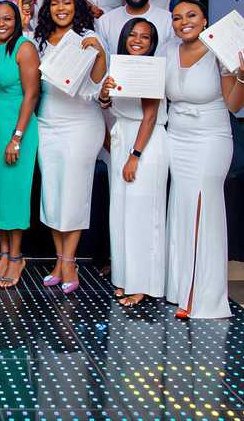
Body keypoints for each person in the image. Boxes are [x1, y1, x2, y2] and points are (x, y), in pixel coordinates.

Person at [165, 0, 244, 320]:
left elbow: (234, 104)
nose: (183, 21)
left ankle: (204, 296)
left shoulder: (221, 52)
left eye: (191, 15)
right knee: (182, 207)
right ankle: (179, 287)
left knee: (204, 207)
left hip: (210, 139)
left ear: (205, 21)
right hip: (176, 137)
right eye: (177, 17)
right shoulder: (166, 51)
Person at [32, 0, 108, 295]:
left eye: (67, 2)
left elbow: (96, 85)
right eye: (54, 3)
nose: (60, 8)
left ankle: (69, 262)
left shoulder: (89, 37)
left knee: (74, 195)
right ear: (47, 9)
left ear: (77, 7)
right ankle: (60, 260)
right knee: (52, 195)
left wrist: (99, 53)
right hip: (47, 124)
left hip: (81, 124)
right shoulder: (39, 40)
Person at [100, 18, 168, 307]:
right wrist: (104, 94)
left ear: (152, 44)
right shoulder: (119, 67)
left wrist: (135, 156)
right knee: (122, 212)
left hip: (145, 142)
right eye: (133, 35)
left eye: (146, 37)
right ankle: (126, 278)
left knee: (143, 214)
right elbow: (109, 105)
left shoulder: (151, 70)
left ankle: (144, 284)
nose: (138, 40)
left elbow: (150, 116)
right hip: (122, 136)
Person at [0, 0, 41, 288]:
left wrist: (16, 138)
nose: (1, 24)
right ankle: (3, 254)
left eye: (7, 19)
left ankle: (17, 258)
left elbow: (31, 95)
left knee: (14, 195)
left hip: (17, 129)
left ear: (17, 21)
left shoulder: (24, 48)